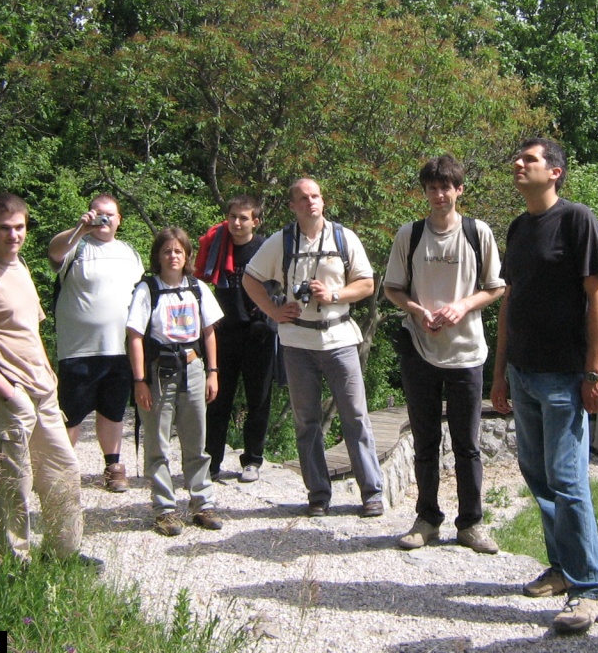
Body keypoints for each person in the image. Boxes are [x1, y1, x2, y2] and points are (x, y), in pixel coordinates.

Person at [489, 138, 598, 634]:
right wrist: (499, 372)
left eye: (530, 159)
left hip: (564, 375)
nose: (518, 164)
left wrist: (593, 371)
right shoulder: (519, 227)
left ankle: (590, 589)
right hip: (523, 374)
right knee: (539, 478)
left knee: (567, 480)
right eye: (517, 158)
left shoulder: (577, 220)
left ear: (555, 171)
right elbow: (510, 302)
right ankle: (562, 568)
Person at [0, 193, 88, 566]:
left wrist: (49, 378)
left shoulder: (21, 266)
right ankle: (12, 563)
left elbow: (30, 331)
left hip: (42, 393)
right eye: (4, 228)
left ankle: (65, 554)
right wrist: (10, 394)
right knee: (14, 484)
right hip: (7, 397)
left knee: (64, 471)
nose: (13, 235)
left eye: (19, 227)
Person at [383, 155, 505, 553]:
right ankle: (427, 519)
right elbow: (392, 288)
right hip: (419, 349)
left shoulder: (477, 232)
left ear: (459, 190)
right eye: (432, 188)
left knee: (467, 444)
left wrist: (463, 306)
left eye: (446, 188)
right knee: (425, 440)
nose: (439, 195)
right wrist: (417, 311)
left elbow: (496, 286)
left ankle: (470, 524)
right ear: (425, 192)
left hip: (466, 351)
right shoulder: (410, 234)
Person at [242, 178, 384, 518]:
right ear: (293, 205)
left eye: (316, 196)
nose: (311, 202)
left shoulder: (342, 237)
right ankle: (318, 495)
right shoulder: (282, 241)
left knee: (355, 416)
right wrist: (273, 311)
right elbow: (250, 278)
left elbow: (367, 283)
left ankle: (371, 493)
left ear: (323, 200)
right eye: (304, 198)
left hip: (339, 339)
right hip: (297, 342)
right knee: (307, 421)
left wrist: (333, 294)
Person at [126, 227, 225, 536]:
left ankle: (202, 503)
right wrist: (139, 380)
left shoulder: (197, 288)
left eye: (178, 251)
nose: (173, 256)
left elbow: (209, 332)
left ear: (187, 256)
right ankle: (165, 509)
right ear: (158, 256)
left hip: (192, 368)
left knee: (196, 440)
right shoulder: (148, 290)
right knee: (158, 443)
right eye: (167, 251)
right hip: (159, 373)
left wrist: (213, 372)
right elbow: (134, 336)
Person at [48, 194, 143, 493]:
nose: (104, 219)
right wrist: (80, 229)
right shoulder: (76, 246)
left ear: (119, 220)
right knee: (70, 414)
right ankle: (60, 471)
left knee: (113, 411)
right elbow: (53, 251)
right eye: (98, 213)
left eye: (110, 215)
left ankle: (113, 467)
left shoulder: (130, 253)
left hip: (119, 349)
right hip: (78, 350)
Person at [195, 195, 276, 484]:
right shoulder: (218, 247)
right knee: (218, 400)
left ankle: (252, 459)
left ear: (256, 221)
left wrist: (271, 316)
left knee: (258, 399)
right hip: (223, 332)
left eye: (243, 218)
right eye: (232, 217)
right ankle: (211, 460)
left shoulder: (267, 248)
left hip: (258, 332)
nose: (237, 223)